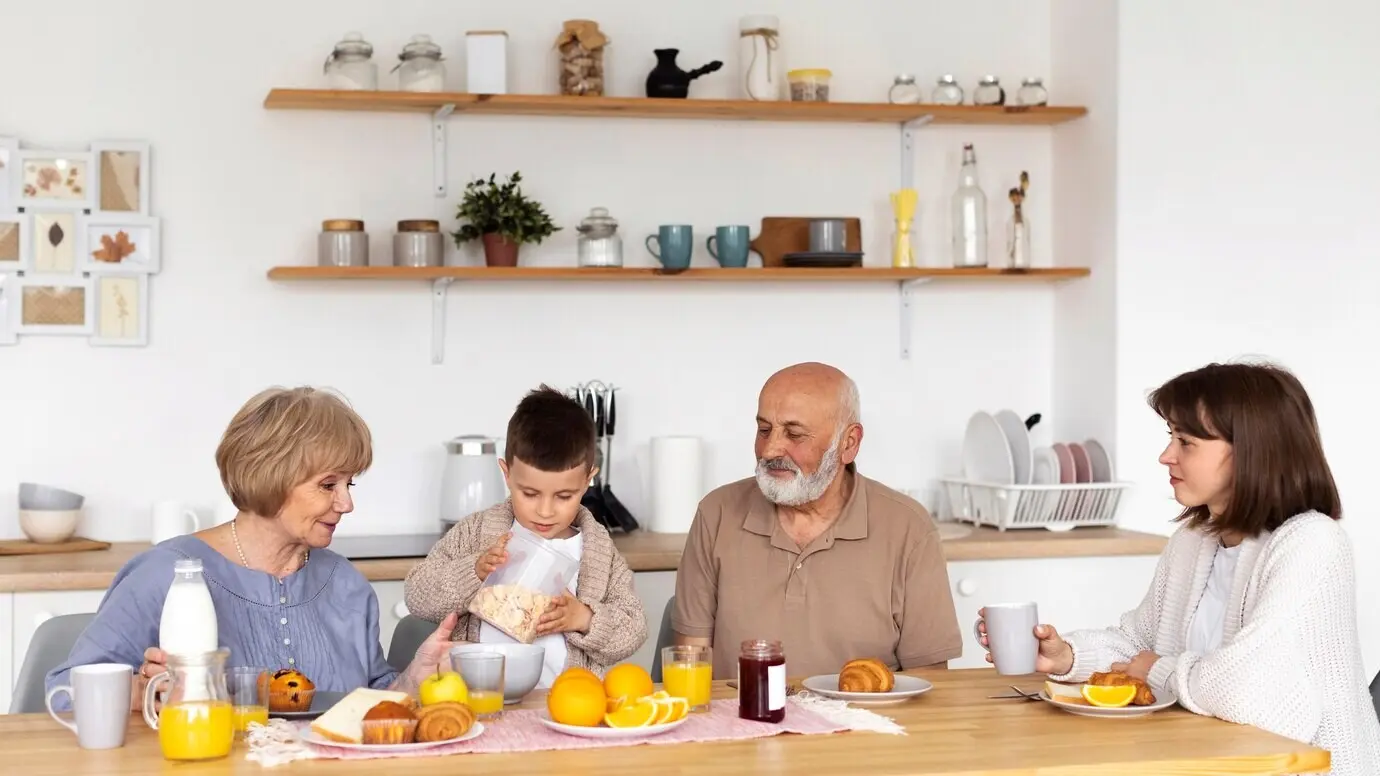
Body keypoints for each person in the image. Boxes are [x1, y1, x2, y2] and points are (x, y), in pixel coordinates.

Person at [976, 361, 1380, 776]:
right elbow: (1138, 643)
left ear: (1253, 450)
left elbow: (1253, 693)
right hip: (1209, 760)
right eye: (1171, 437)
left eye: (1186, 442)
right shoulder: (1193, 541)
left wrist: (1160, 671)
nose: (1166, 456)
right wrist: (1066, 657)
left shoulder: (1312, 543)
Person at [46, 387, 464, 711]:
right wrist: (143, 692)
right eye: (327, 485)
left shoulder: (346, 586)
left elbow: (367, 706)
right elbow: (65, 690)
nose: (346, 503)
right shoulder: (167, 575)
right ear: (271, 476)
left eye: (349, 484)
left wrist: (413, 679)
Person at [673, 362, 962, 679]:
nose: (770, 449)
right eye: (764, 430)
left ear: (848, 443)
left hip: (867, 726)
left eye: (794, 434)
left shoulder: (909, 529)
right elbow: (691, 669)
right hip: (744, 723)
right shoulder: (717, 513)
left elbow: (930, 684)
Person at [404, 385, 646, 686]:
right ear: (506, 474)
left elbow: (634, 628)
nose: (545, 511)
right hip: (479, 699)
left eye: (564, 496)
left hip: (566, 708)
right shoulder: (475, 533)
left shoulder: (598, 551)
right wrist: (474, 571)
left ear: (587, 481)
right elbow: (417, 597)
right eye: (529, 493)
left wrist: (585, 619)